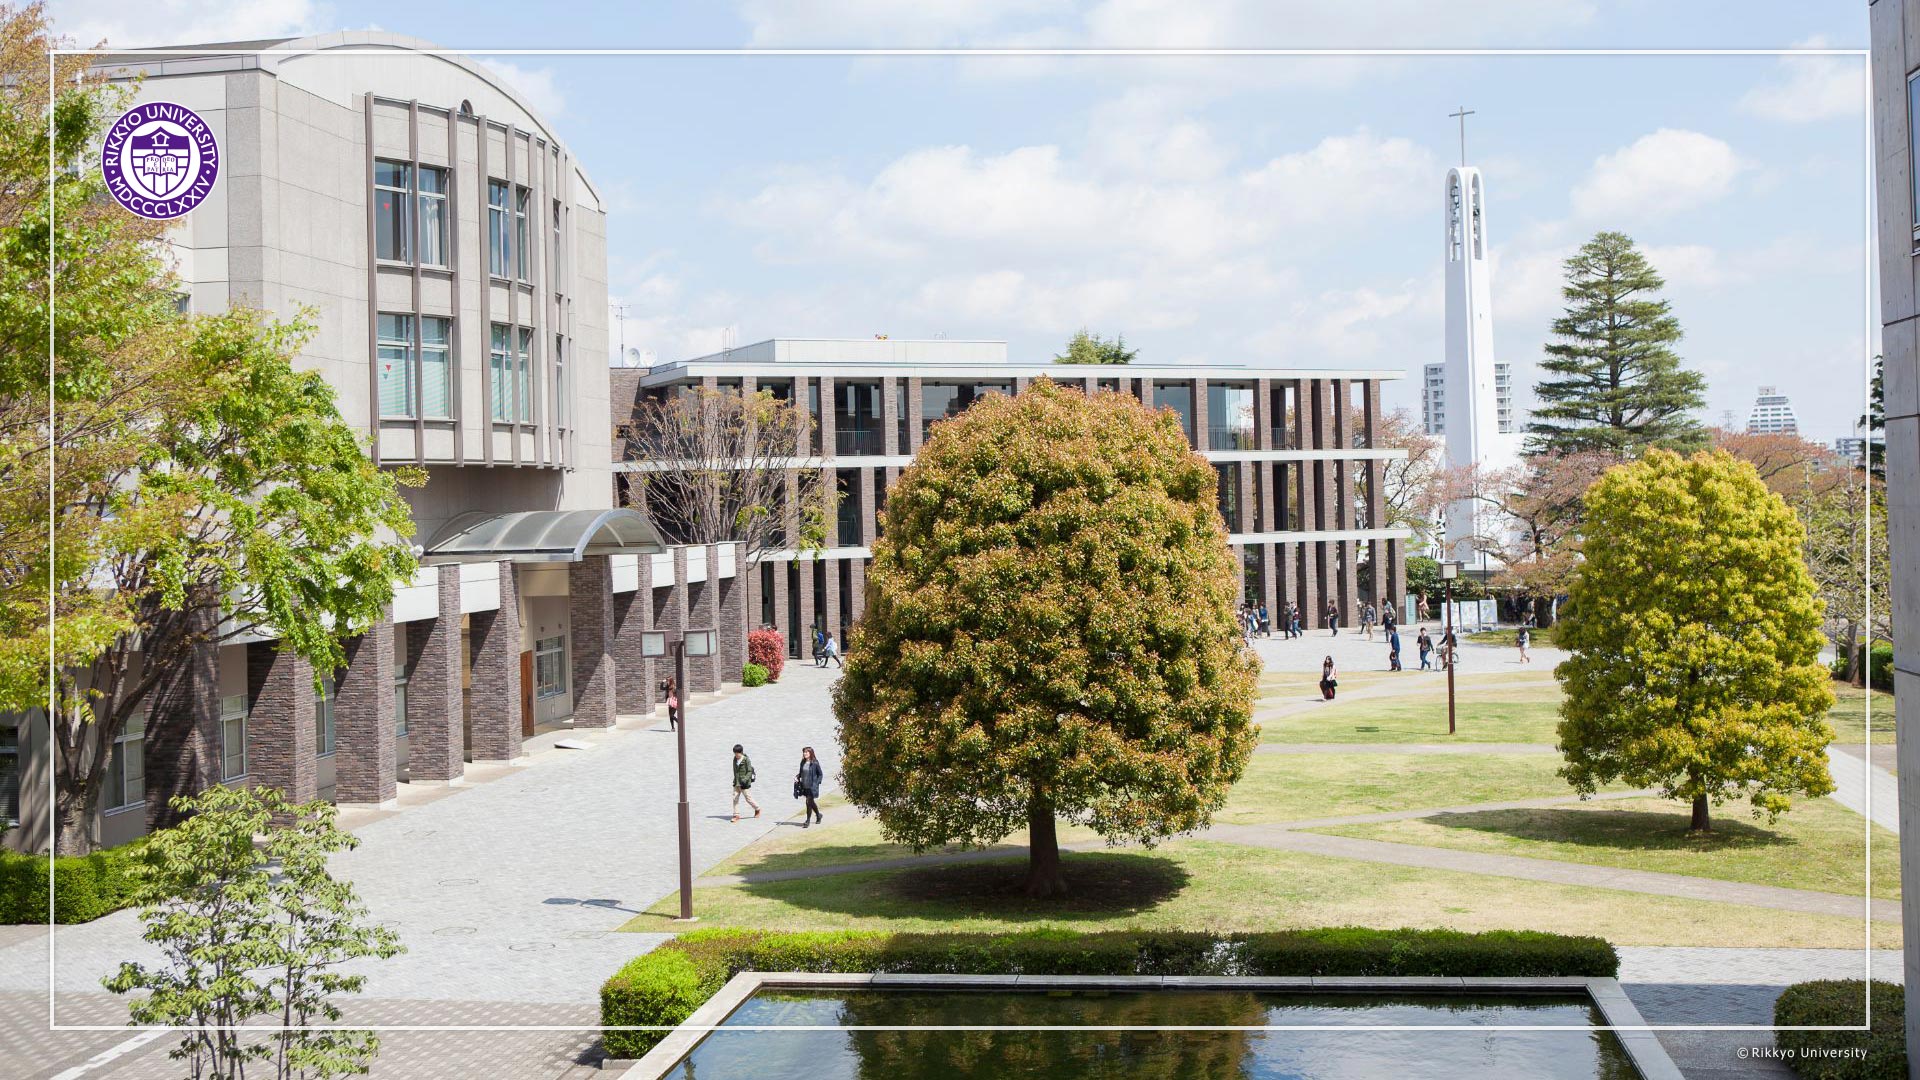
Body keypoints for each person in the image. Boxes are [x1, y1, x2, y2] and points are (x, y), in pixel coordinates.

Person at [795, 746, 824, 828]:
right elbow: (801, 773)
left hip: (812, 787)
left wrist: (816, 783)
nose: (804, 753)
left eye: (806, 752)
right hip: (805, 786)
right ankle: (818, 815)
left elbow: (820, 774)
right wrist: (797, 777)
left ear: (810, 753)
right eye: (804, 752)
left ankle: (807, 821)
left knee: (808, 802)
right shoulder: (803, 762)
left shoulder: (815, 762)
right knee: (811, 802)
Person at [731, 743, 760, 822]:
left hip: (744, 783)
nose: (736, 755)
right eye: (735, 753)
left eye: (737, 754)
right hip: (737, 783)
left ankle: (757, 808)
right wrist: (735, 780)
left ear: (741, 752)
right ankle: (736, 815)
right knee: (735, 798)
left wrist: (745, 779)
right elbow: (735, 770)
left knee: (748, 799)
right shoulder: (734, 759)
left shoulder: (746, 760)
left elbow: (749, 771)